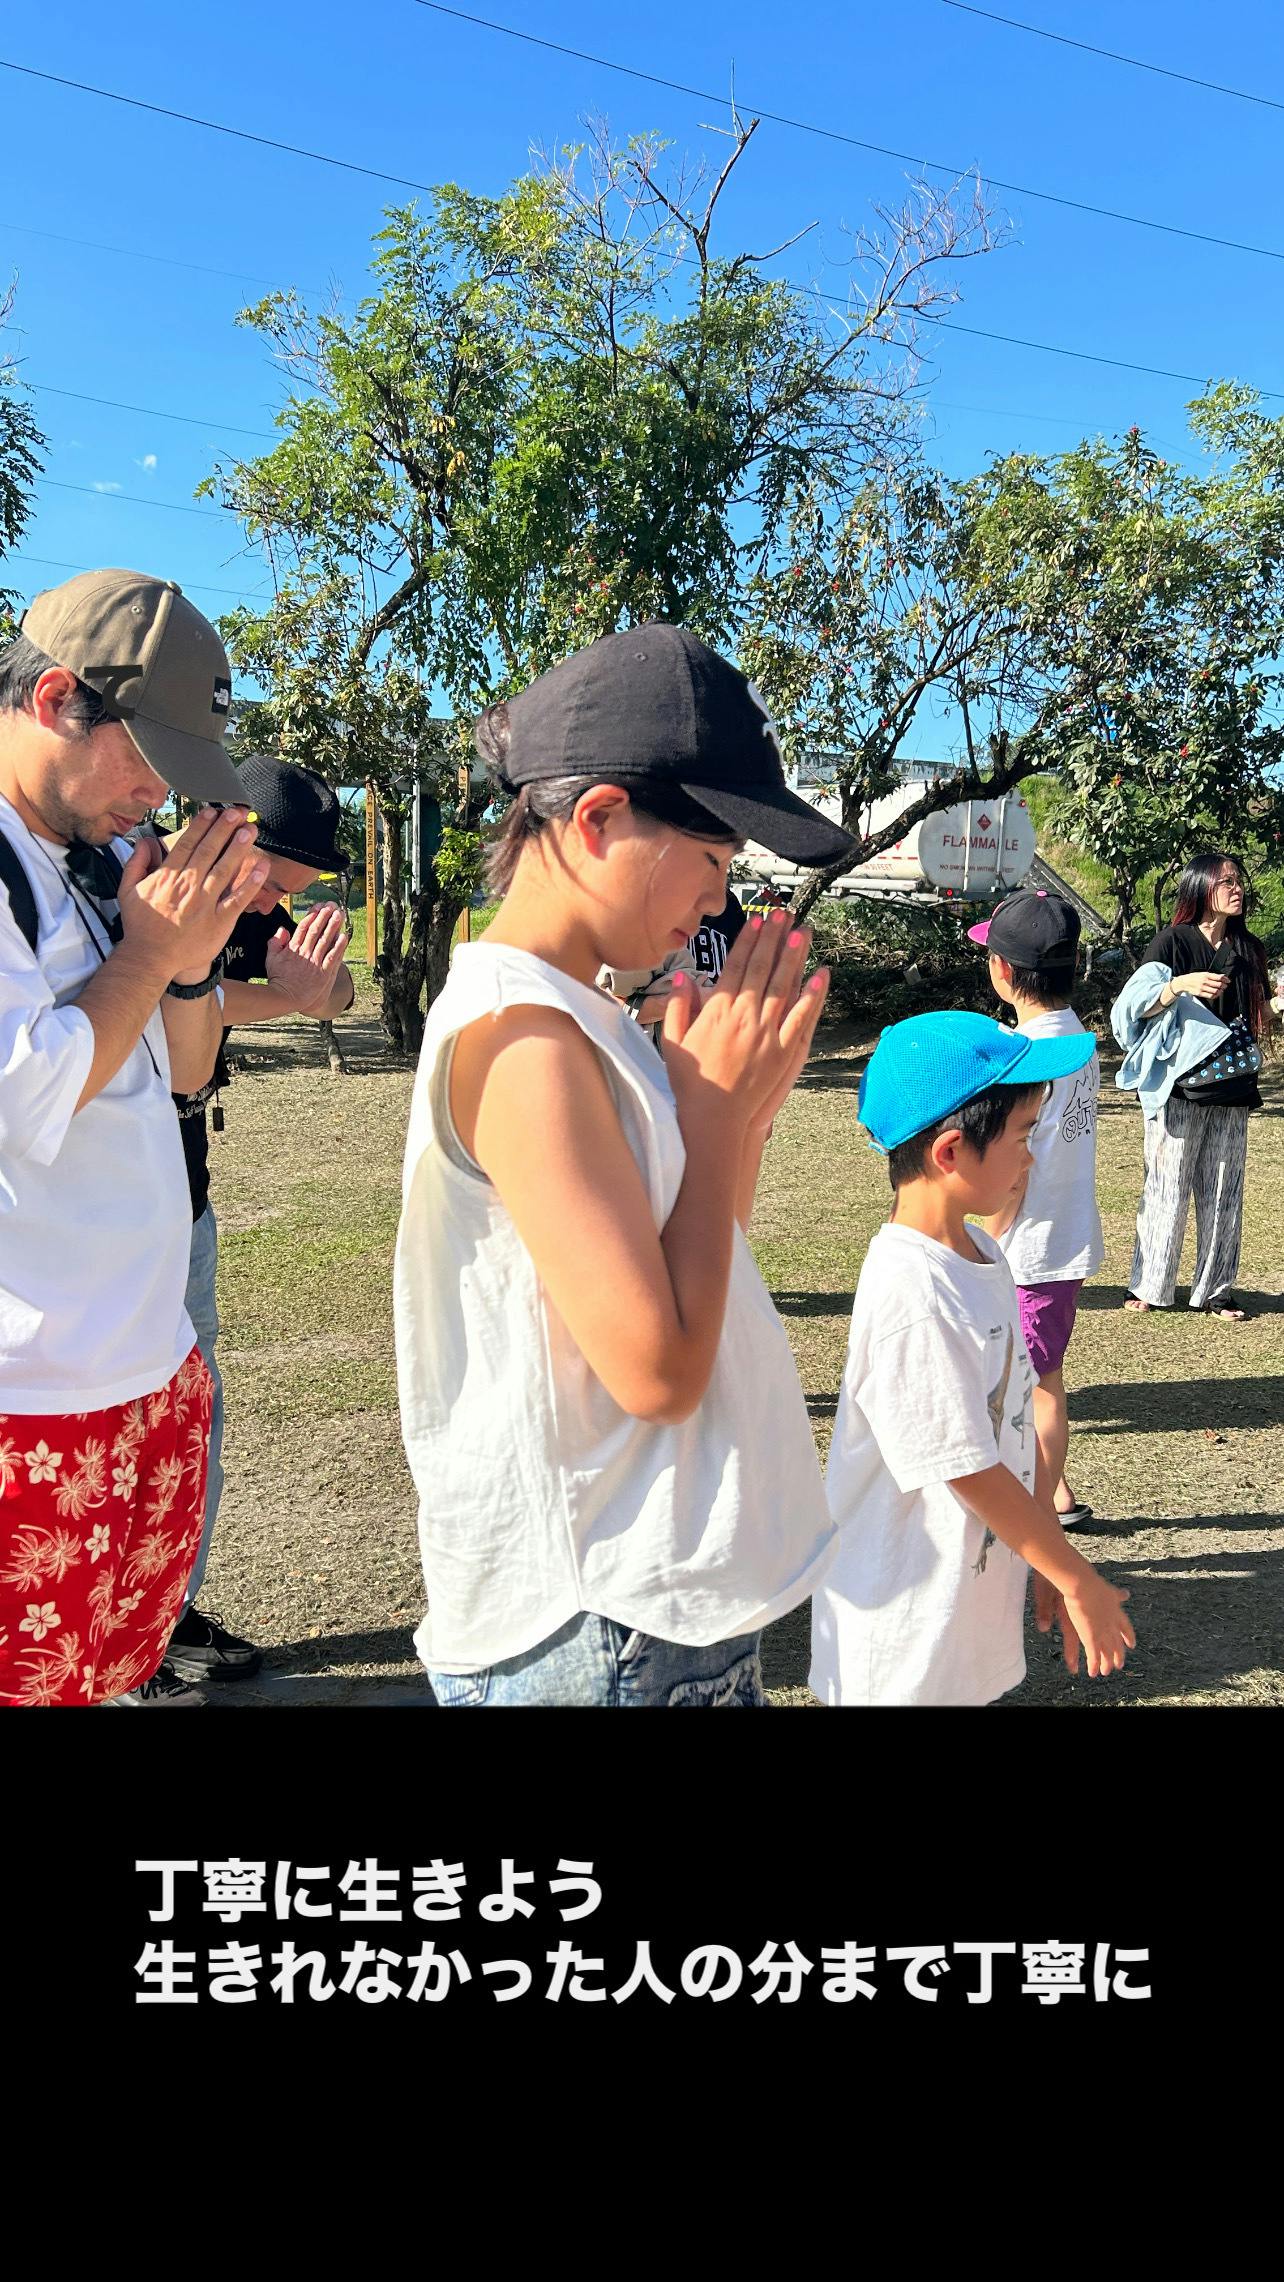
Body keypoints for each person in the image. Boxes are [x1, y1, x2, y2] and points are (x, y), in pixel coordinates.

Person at [394, 622, 855, 1707]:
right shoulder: (524, 1037)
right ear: (598, 818)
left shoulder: (584, 1015)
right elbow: (658, 1373)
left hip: (646, 1603)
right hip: (598, 1623)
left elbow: (697, 1261)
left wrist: (739, 1119)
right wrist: (709, 1113)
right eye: (711, 859)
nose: (717, 899)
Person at [0, 568, 269, 1706]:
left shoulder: (113, 862)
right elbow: (26, 1096)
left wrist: (189, 963)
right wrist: (151, 954)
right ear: (57, 698)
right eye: (148, 759)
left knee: (109, 1677)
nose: (158, 796)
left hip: (147, 1368)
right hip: (33, 1402)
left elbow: (184, 1074)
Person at [809, 1011, 1135, 1707]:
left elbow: (1010, 1419)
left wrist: (1042, 1546)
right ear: (951, 1153)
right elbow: (965, 1465)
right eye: (1023, 1136)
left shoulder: (982, 1253)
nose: (1031, 1158)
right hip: (900, 1635)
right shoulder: (913, 1294)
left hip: (956, 1618)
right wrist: (1071, 1570)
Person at [163, 756, 355, 1689]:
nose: (275, 907)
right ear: (225, 830)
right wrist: (289, 996)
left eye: (294, 893)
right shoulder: (146, 891)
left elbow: (336, 993)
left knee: (194, 1429)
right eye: (275, 883)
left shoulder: (250, 903)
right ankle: (126, 1634)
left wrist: (319, 986)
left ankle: (166, 1614)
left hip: (187, 1200)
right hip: (110, 1214)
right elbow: (177, 1005)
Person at [968, 891, 1103, 1531]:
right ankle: (1054, 1495)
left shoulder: (1023, 1057)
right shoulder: (1078, 1039)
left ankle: (1042, 1511)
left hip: (1031, 1248)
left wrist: (985, 1237)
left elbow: (1015, 1169)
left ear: (1002, 970)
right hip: (1062, 1236)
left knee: (1036, 1385)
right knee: (1034, 1375)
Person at [1124, 851, 1272, 1321]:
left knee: (1225, 1191)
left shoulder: (1249, 949)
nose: (1236, 888)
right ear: (1200, 887)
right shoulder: (1170, 942)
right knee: (1166, 1186)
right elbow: (1134, 1009)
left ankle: (1217, 1292)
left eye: (1238, 881)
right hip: (1179, 1085)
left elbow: (1260, 1015)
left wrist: (1277, 1005)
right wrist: (1179, 985)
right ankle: (1149, 1286)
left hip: (1233, 1084)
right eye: (1225, 881)